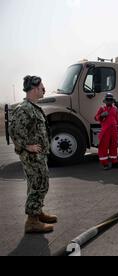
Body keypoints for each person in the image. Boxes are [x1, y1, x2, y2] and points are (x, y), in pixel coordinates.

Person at [9, 75, 57, 234]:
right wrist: (27, 146)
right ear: (35, 88)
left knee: (38, 184)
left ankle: (37, 212)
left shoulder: (33, 107)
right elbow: (14, 131)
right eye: (42, 87)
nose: (44, 89)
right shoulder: (24, 108)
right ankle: (32, 222)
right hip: (32, 156)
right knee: (38, 185)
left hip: (39, 155)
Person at [95, 93, 118, 170]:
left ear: (112, 101)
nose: (109, 101)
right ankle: (105, 164)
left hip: (114, 130)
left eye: (110, 100)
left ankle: (114, 162)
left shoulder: (115, 109)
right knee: (104, 147)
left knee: (114, 146)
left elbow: (117, 119)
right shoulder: (102, 108)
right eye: (108, 100)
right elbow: (96, 118)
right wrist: (101, 115)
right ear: (105, 101)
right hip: (105, 130)